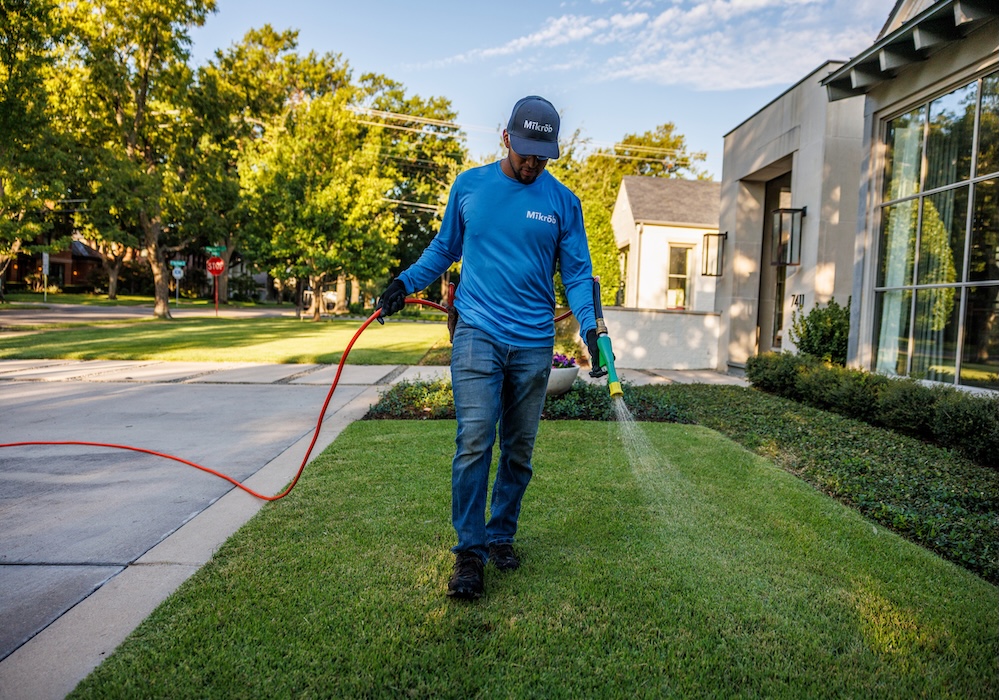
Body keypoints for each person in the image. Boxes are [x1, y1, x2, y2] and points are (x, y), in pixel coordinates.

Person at [378, 95, 603, 600]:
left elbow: (579, 273)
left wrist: (592, 328)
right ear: (505, 137)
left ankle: (501, 534)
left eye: (542, 156)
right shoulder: (470, 186)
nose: (532, 164)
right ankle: (469, 553)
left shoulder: (563, 202)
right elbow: (444, 249)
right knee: (475, 439)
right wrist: (404, 281)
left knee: (519, 451)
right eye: (526, 152)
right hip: (477, 331)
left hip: (532, 342)